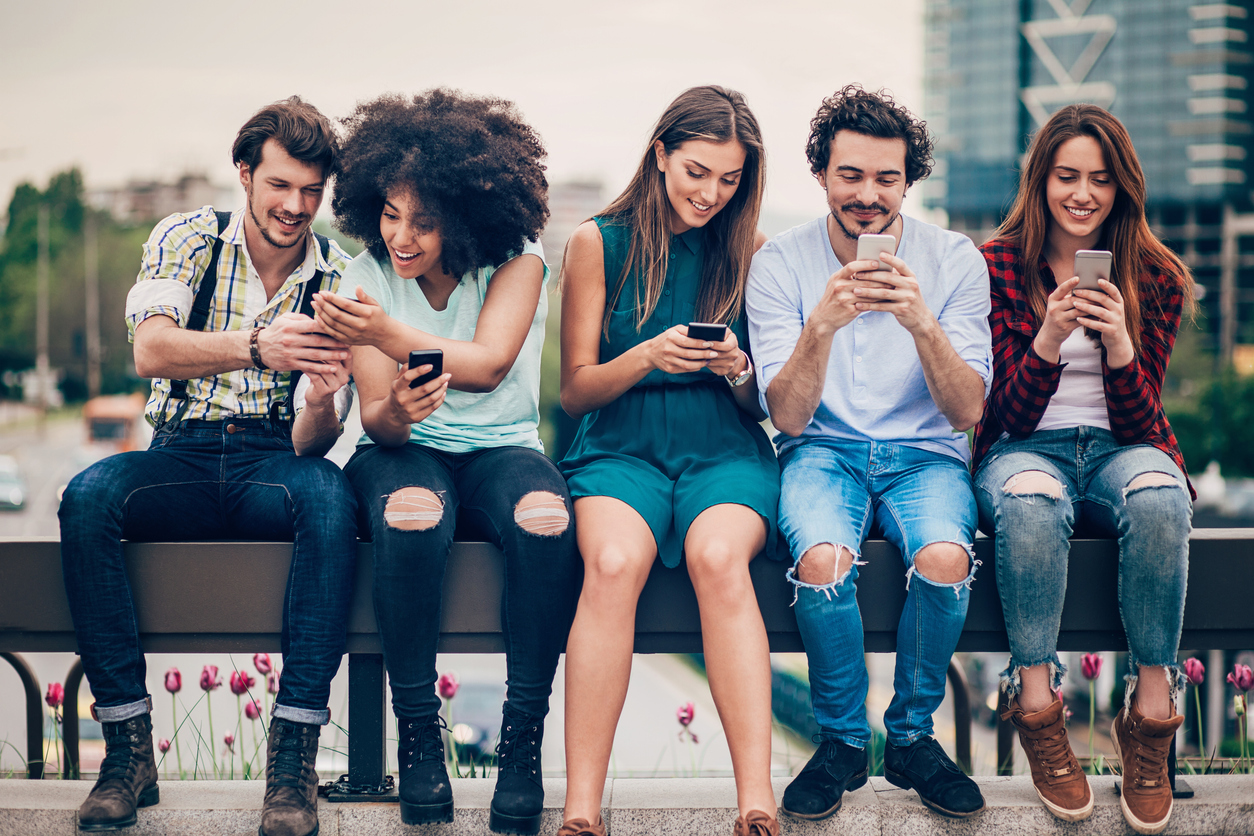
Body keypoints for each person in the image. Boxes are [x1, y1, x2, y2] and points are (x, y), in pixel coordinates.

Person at [59, 97, 357, 836]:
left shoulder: (341, 277)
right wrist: (259, 345)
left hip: (271, 459)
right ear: (244, 173)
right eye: (281, 185)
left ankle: (292, 769)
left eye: (312, 192)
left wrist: (323, 401)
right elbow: (151, 350)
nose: (296, 206)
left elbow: (312, 443)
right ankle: (126, 752)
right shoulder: (189, 236)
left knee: (330, 496)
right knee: (88, 497)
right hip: (179, 456)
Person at [314, 89, 578, 836]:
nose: (403, 236)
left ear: (465, 217)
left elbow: (490, 363)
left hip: (501, 449)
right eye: (391, 214)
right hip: (403, 456)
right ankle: (419, 735)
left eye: (424, 221)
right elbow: (376, 422)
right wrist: (398, 406)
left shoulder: (517, 263)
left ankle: (521, 746)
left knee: (546, 518)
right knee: (412, 510)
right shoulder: (361, 275)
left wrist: (385, 332)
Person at [746, 84, 992, 822]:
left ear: (908, 182)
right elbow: (784, 413)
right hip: (821, 449)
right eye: (850, 174)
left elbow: (967, 410)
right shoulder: (781, 263)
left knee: (947, 558)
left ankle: (913, 737)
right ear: (821, 173)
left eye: (886, 177)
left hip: (927, 456)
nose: (868, 194)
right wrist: (821, 325)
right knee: (822, 561)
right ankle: (843, 743)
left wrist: (920, 322)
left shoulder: (953, 259)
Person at [556, 85, 781, 836]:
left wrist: (739, 371)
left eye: (728, 180)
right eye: (695, 172)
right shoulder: (597, 241)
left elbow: (763, 406)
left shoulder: (746, 249)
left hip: (722, 446)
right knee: (613, 565)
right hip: (620, 445)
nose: (711, 194)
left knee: (721, 559)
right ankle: (582, 811)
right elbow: (576, 391)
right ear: (659, 155)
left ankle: (756, 803)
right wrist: (649, 354)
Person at [973, 104, 1194, 834]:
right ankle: (1036, 706)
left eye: (1100, 180)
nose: (1082, 194)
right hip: (1024, 448)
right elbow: (1003, 413)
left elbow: (1141, 425)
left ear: (1121, 189)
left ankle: (1152, 713)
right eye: (1066, 176)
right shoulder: (997, 263)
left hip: (1117, 447)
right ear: (1040, 182)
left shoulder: (1156, 275)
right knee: (1032, 501)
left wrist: (1122, 347)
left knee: (1162, 497)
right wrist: (1048, 338)